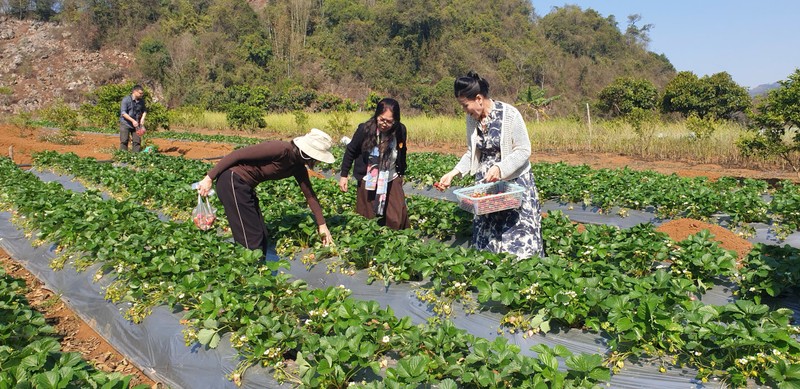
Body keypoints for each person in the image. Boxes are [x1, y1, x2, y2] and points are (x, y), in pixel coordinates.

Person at [436, 72, 543, 259]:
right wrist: (454, 172)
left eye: (465, 105)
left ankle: (523, 278)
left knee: (517, 235)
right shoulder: (472, 119)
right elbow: (472, 153)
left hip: (514, 184)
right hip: (487, 187)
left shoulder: (509, 114)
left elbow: (524, 150)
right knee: (490, 237)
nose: (465, 110)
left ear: (478, 98)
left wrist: (501, 168)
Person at [195, 128, 335, 255]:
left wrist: (322, 225)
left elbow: (310, 195)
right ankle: (247, 274)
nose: (318, 162)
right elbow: (237, 155)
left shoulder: (298, 167)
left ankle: (257, 268)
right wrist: (209, 178)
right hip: (232, 182)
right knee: (250, 239)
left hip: (245, 187)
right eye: (318, 158)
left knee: (261, 233)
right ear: (309, 153)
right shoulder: (280, 149)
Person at [339, 98, 409, 230]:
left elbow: (402, 151)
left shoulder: (400, 130)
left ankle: (395, 242)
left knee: (396, 216)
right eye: (382, 119)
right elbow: (351, 150)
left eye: (389, 121)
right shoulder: (365, 129)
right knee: (368, 217)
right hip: (368, 178)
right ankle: (371, 244)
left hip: (391, 176)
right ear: (377, 115)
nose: (384, 124)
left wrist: (402, 173)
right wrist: (344, 175)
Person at [119, 85, 147, 152]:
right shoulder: (126, 100)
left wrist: (142, 119)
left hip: (136, 124)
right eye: (140, 93)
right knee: (124, 140)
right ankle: (123, 156)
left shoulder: (141, 101)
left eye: (142, 93)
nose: (141, 95)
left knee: (137, 141)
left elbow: (144, 111)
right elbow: (123, 113)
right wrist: (132, 120)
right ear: (134, 92)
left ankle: (135, 157)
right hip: (126, 123)